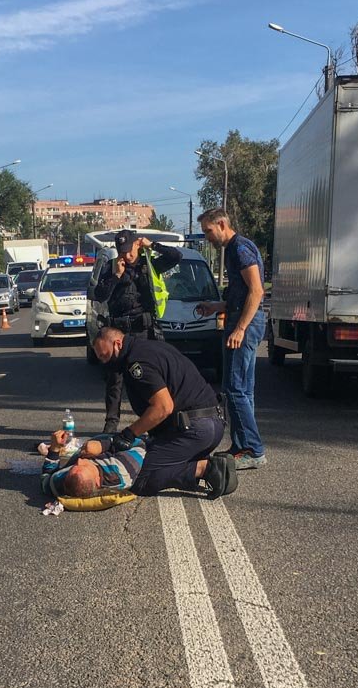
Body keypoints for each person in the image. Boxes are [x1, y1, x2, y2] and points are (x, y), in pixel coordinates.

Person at [92, 327, 237, 499]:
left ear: (117, 344)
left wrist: (129, 434)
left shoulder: (136, 364)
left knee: (139, 479)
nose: (103, 361)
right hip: (213, 424)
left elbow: (163, 407)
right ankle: (192, 461)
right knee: (155, 452)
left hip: (195, 430)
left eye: (104, 355)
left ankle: (206, 468)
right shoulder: (151, 347)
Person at [195, 208, 267, 470]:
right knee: (242, 390)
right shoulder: (236, 249)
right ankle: (242, 446)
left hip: (244, 323)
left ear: (222, 224)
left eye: (208, 231)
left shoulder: (240, 249)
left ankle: (253, 449)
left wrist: (240, 329)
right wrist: (216, 307)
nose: (207, 238)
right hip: (240, 317)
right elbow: (240, 295)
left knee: (234, 388)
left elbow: (256, 292)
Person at [91, 230, 182, 434]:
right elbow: (99, 295)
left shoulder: (149, 264)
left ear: (137, 245)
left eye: (129, 250)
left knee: (147, 378)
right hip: (119, 332)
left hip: (143, 331)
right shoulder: (112, 268)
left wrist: (153, 246)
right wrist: (115, 276)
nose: (126, 255)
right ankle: (110, 426)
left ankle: (153, 423)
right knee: (115, 380)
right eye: (121, 251)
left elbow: (176, 257)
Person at [39, 430, 146, 499]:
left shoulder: (66, 481)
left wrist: (54, 448)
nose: (79, 461)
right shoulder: (121, 469)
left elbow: (47, 479)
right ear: (97, 482)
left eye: (75, 466)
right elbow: (140, 445)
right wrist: (103, 445)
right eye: (84, 466)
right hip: (117, 438)